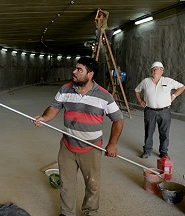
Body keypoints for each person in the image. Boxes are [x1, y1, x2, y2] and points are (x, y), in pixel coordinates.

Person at [32, 57, 124, 216]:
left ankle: (90, 212)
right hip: (67, 145)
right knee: (66, 184)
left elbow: (118, 119)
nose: (74, 72)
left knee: (92, 185)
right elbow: (54, 107)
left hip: (91, 148)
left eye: (79, 70)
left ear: (90, 74)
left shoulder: (104, 96)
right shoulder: (65, 89)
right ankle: (67, 213)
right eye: (75, 68)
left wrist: (112, 144)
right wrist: (44, 117)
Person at [135, 61, 185, 159]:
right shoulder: (145, 81)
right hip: (150, 111)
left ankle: (163, 152)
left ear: (162, 71)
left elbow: (182, 87)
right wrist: (140, 100)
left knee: (164, 133)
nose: (154, 70)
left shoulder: (168, 81)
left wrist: (174, 95)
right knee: (149, 132)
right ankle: (147, 151)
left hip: (164, 111)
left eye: (157, 68)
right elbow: (136, 90)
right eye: (153, 69)